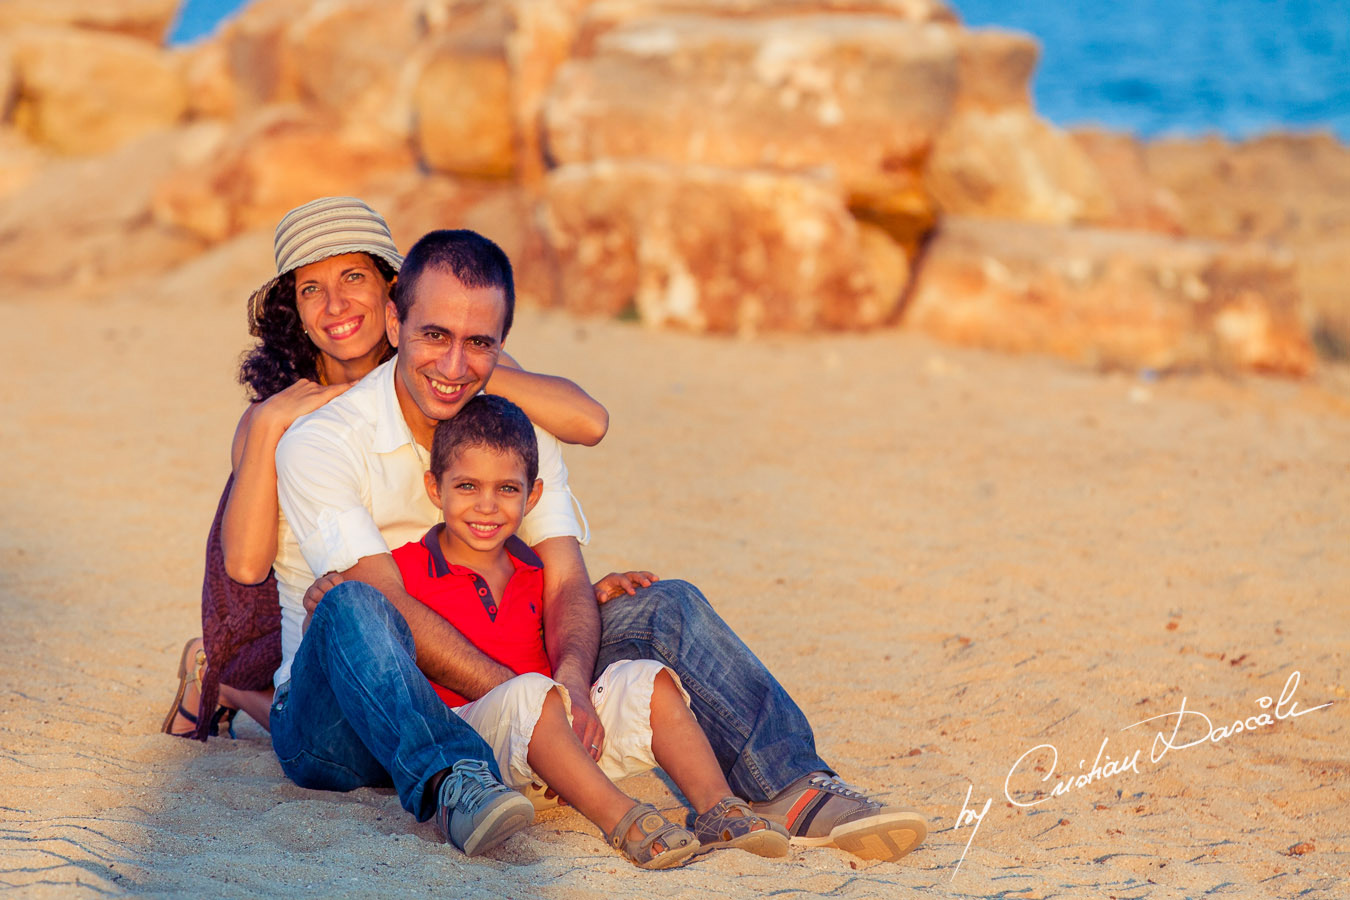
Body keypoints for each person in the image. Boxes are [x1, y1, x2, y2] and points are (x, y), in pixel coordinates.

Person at [277, 227, 928, 863]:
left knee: (664, 605)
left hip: (501, 663)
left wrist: (568, 681)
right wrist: (544, 713)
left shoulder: (518, 430)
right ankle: (456, 779)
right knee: (356, 606)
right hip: (346, 720)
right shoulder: (324, 443)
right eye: (434, 336)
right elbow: (391, 606)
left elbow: (562, 579)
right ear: (394, 323)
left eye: (479, 343)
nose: (454, 367)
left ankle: (791, 785)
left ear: (502, 345)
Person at [162, 196, 607, 744]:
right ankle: (227, 685)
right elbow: (247, 568)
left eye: (353, 277)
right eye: (310, 289)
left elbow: (589, 422)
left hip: (435, 599)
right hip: (306, 608)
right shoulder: (280, 415)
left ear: (392, 295)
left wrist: (461, 371)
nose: (335, 305)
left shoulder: (448, 358)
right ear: (293, 310)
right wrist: (267, 422)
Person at [389, 393, 789, 868]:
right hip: (476, 747)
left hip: (562, 743)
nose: (487, 506)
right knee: (530, 693)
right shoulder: (405, 570)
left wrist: (598, 595)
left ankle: (718, 808)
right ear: (436, 489)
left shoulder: (535, 569)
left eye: (507, 490)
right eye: (468, 487)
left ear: (532, 495)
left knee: (648, 679)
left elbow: (557, 623)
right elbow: (366, 637)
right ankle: (623, 819)